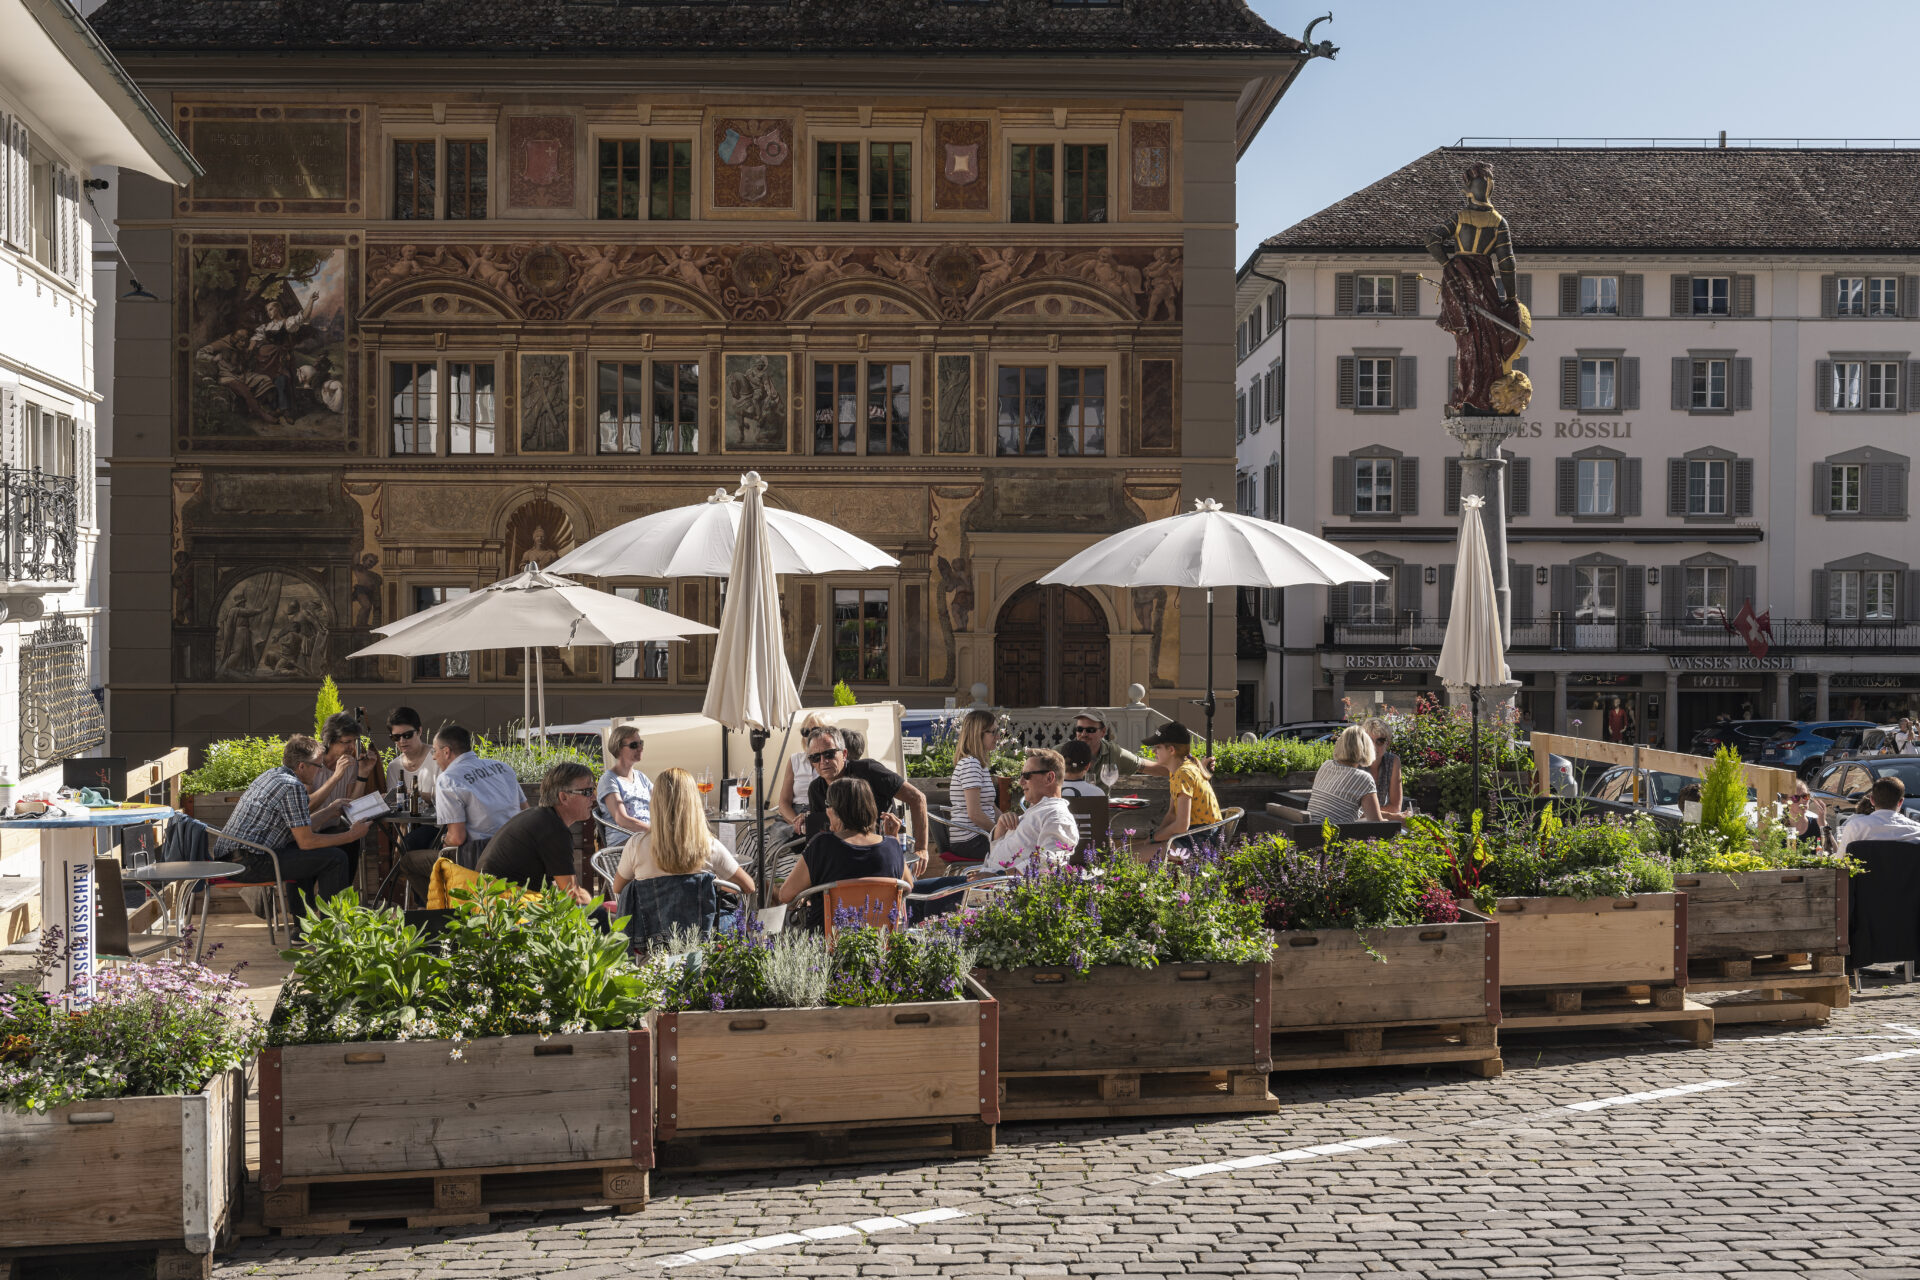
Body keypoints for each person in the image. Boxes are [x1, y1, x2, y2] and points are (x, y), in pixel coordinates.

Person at [212, 735, 368, 918]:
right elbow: (307, 841)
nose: (320, 771)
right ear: (302, 766)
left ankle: (303, 924)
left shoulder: (271, 775)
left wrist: (330, 810)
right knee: (335, 858)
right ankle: (331, 930)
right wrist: (351, 835)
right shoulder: (292, 787)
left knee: (301, 854)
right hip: (249, 864)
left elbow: (300, 828)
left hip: (232, 858)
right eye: (318, 766)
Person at [399, 724, 525, 902]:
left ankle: (443, 914)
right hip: (516, 850)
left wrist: (444, 841)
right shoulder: (502, 767)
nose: (434, 757)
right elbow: (525, 811)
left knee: (408, 861)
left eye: (434, 751)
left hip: (479, 858)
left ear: (446, 751)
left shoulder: (448, 779)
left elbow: (457, 838)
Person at [779, 777, 907, 930]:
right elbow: (907, 886)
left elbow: (785, 895)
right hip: (878, 943)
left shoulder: (822, 845)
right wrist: (894, 839)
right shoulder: (892, 845)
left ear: (834, 810)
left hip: (825, 945)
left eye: (827, 804)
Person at [611, 767, 754, 897]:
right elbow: (749, 886)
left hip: (650, 925)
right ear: (694, 803)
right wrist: (714, 884)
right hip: (701, 926)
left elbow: (617, 888)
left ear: (655, 803)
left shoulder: (636, 845)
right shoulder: (708, 846)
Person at [477, 762, 597, 905]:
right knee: (598, 914)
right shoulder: (553, 829)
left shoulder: (541, 818)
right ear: (563, 797)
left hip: (495, 902)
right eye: (588, 792)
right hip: (506, 910)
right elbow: (573, 894)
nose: (594, 798)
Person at [800, 727, 927, 855]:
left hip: (884, 851)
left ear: (844, 754)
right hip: (842, 858)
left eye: (829, 754)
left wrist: (921, 849)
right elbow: (821, 834)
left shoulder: (869, 770)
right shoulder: (815, 789)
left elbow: (917, 798)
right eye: (815, 757)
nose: (823, 761)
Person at [983, 748, 1079, 875]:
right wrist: (1001, 827)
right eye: (1021, 775)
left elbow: (1049, 862)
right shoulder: (1036, 811)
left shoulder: (1057, 815)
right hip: (986, 881)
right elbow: (997, 855)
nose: (1020, 782)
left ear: (1049, 778)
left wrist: (998, 875)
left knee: (947, 889)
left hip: (997, 887)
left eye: (1027, 776)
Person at [1142, 722, 1221, 856]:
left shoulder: (1183, 773)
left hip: (1200, 840)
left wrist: (1154, 838)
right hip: (1193, 835)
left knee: (1131, 855)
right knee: (1131, 850)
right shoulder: (1178, 771)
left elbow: (1181, 825)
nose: (1153, 751)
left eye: (1158, 747)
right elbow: (1172, 814)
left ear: (1171, 750)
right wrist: (1153, 838)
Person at [382, 706, 443, 866]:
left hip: (440, 825)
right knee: (405, 849)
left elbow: (445, 797)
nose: (402, 741)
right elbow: (397, 808)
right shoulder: (394, 767)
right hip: (410, 827)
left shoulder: (436, 758)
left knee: (412, 846)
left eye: (407, 735)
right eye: (396, 737)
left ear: (420, 731)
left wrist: (413, 794)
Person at [1305, 725, 1386, 825]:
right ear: (1366, 748)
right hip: (1333, 836)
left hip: (1310, 830)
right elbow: (1377, 824)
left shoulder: (1326, 765)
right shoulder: (1363, 779)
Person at [947, 709, 1000, 859]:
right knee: (1023, 851)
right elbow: (975, 814)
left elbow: (991, 806)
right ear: (978, 734)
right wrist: (999, 832)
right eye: (993, 732)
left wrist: (1011, 825)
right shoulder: (971, 765)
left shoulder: (978, 764)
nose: (998, 736)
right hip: (970, 840)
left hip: (977, 837)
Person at [596, 725, 653, 851]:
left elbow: (661, 803)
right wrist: (656, 832)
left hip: (646, 837)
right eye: (634, 745)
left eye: (641, 743)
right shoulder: (609, 780)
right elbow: (622, 820)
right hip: (623, 842)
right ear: (619, 748)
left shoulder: (641, 777)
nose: (640, 748)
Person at [1835, 777, 1920, 856]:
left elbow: (1840, 861)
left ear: (1872, 800)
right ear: (1900, 802)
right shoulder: (1917, 830)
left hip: (1866, 872)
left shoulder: (1856, 827)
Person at [775, 713, 829, 829]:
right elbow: (784, 802)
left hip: (820, 814)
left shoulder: (832, 761)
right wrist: (797, 822)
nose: (809, 735)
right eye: (805, 731)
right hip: (793, 816)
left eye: (815, 731)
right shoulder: (795, 760)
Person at [1072, 711, 1143, 782]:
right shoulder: (1062, 753)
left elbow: (1147, 767)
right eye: (1079, 729)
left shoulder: (1113, 753)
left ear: (1103, 732)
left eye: (1090, 730)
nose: (1083, 734)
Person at [1361, 718, 1405, 818]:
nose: (1374, 746)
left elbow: (1395, 807)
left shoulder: (1392, 761)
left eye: (1380, 741)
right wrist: (1391, 815)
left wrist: (1367, 812)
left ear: (1387, 743)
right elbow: (1352, 811)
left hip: (1381, 823)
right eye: (1369, 741)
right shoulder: (1355, 762)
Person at [1784, 781, 1826, 848]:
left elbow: (1835, 852)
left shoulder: (1817, 823)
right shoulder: (1778, 827)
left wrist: (1823, 826)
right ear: (1785, 802)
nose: (1802, 801)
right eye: (1795, 798)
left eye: (1805, 796)